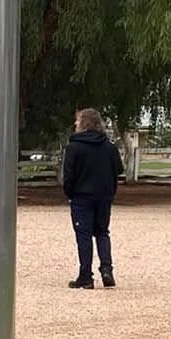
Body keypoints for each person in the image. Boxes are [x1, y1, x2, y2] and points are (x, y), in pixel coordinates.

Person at [60, 107, 123, 289]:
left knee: (84, 235)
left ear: (84, 123)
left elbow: (69, 174)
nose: (75, 124)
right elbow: (118, 169)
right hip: (104, 195)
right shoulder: (109, 147)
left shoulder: (74, 147)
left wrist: (69, 192)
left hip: (81, 196)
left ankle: (85, 276)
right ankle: (106, 269)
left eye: (78, 120)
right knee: (102, 232)